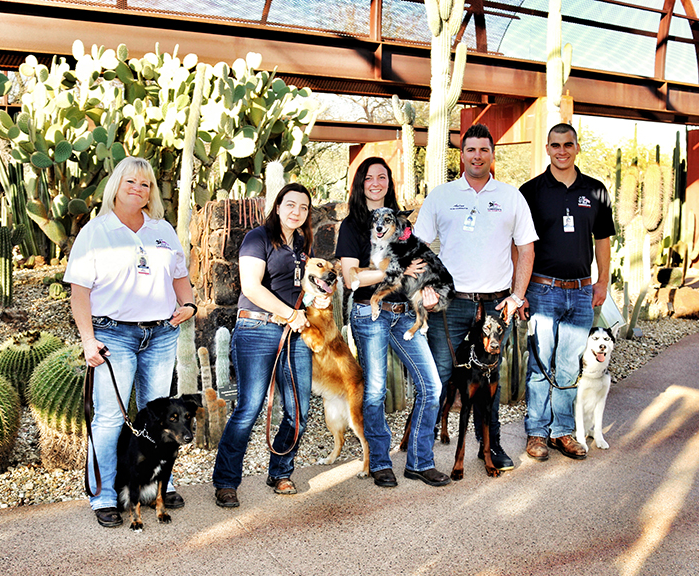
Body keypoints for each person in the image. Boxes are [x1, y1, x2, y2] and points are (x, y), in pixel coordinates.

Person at [65, 156, 197, 528]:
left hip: (160, 334)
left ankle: (160, 485)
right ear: (116, 185)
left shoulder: (163, 229)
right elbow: (79, 292)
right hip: (113, 335)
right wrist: (88, 340)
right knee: (108, 419)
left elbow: (179, 276)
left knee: (161, 417)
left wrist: (188, 304)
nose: (138, 189)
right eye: (131, 182)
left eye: (146, 184)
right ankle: (104, 495)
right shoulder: (96, 231)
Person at [415, 123, 537, 472]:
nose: (477, 156)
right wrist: (425, 286)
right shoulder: (441, 195)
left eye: (484, 150)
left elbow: (526, 249)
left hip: (496, 306)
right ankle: (421, 455)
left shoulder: (511, 196)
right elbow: (419, 246)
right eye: (471, 150)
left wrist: (517, 295)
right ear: (462, 154)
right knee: (437, 377)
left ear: (492, 155)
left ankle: (492, 447)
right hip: (449, 304)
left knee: (489, 383)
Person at [336, 156, 451, 488]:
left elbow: (419, 264)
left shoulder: (402, 226)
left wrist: (428, 289)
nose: (376, 182)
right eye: (369, 177)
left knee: (432, 386)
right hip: (369, 314)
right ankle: (381, 463)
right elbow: (350, 277)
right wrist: (391, 271)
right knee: (374, 391)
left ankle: (419, 461)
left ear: (389, 182)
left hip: (405, 314)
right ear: (361, 184)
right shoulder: (353, 225)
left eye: (382, 176)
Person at [211, 183, 316, 508]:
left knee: (300, 409)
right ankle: (226, 482)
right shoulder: (257, 237)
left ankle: (281, 471)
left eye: (303, 207)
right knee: (249, 407)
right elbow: (252, 288)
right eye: (291, 205)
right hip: (257, 327)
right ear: (278, 205)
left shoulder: (302, 243)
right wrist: (289, 314)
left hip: (294, 332)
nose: (296, 212)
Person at [519, 123, 615, 461]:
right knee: (540, 365)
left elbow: (602, 240)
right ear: (547, 148)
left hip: (581, 293)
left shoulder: (596, 191)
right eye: (556, 145)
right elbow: (520, 244)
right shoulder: (530, 191)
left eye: (568, 144)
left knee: (567, 366)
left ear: (577, 147)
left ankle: (561, 431)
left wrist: (602, 281)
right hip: (542, 290)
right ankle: (536, 432)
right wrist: (521, 291)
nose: (562, 151)